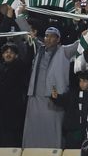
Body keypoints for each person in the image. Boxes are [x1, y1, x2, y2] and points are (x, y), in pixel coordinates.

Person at [14, 14, 78, 148]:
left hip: (52, 99)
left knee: (52, 131)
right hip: (35, 97)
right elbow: (27, 32)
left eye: (52, 36)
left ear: (58, 40)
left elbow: (81, 44)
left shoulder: (64, 51)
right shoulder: (38, 47)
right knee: (33, 130)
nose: (48, 39)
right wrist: (20, 14)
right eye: (46, 36)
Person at [50, 70, 88, 149]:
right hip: (74, 132)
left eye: (84, 81)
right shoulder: (73, 94)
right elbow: (62, 100)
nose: (81, 83)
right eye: (80, 81)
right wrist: (56, 97)